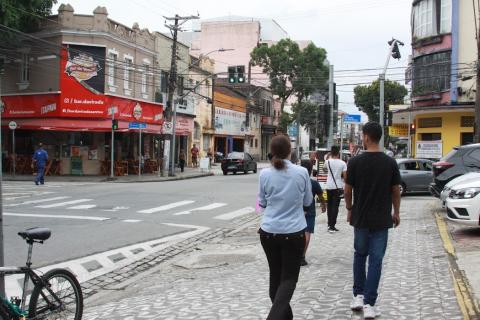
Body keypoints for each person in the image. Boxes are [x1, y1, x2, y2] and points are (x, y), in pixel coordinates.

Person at [344, 122, 401, 319]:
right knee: (376, 260)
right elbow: (396, 190)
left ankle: (358, 296)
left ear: (367, 137)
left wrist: (349, 209)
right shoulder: (390, 162)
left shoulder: (355, 162)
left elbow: (348, 189)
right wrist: (396, 212)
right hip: (382, 219)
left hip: (360, 217)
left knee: (360, 255)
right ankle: (369, 303)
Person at [258, 134, 312, 320]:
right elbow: (308, 201)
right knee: (288, 279)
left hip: (268, 232)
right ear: (290, 151)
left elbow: (262, 202)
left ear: (272, 152)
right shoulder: (302, 172)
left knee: (276, 280)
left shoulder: (264, 173)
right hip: (293, 232)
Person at [300, 161, 326, 266]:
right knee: (307, 233)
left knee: (297, 233)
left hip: (297, 211)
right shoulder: (314, 183)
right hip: (310, 211)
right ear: (311, 171)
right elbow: (320, 196)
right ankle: (302, 256)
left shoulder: (297, 182)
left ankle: (295, 255)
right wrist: (324, 205)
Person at [324, 146, 347, 233]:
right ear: (338, 153)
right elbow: (345, 177)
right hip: (338, 186)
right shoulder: (342, 163)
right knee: (335, 206)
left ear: (331, 152)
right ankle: (332, 225)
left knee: (329, 205)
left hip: (329, 186)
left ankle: (329, 224)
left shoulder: (327, 161)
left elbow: (324, 169)